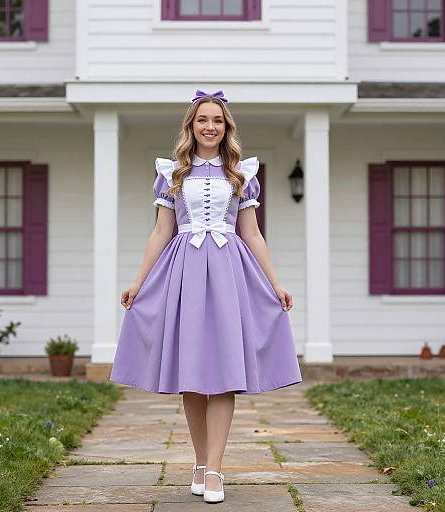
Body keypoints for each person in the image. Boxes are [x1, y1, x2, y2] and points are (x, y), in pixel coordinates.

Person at [110, 89, 302, 504]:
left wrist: (276, 282)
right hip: (184, 273)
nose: (210, 126)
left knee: (225, 374)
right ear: (191, 126)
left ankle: (215, 468)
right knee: (192, 378)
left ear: (226, 127)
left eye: (217, 120)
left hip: (230, 273)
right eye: (203, 120)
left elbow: (251, 232)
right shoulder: (173, 172)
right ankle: (199, 463)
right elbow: (162, 230)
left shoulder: (241, 174)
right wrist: (138, 281)